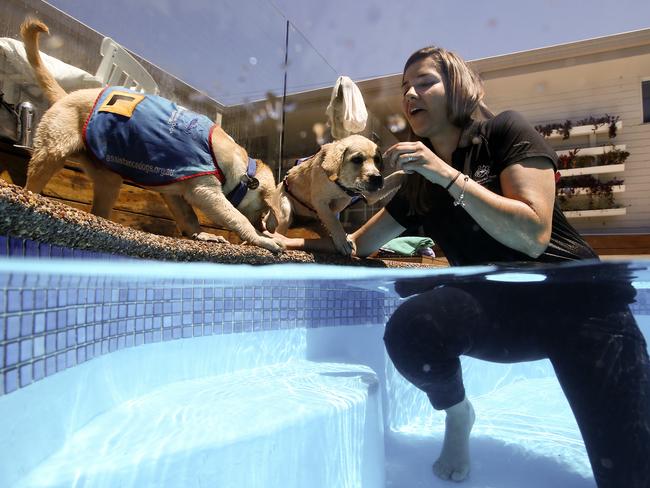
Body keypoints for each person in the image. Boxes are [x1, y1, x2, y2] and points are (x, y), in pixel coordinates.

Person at [268, 46, 650, 487]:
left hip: (585, 311)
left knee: (631, 473)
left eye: (425, 81)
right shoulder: (417, 184)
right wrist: (291, 240)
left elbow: (532, 235)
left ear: (459, 86)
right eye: (404, 86)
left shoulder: (505, 132)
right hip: (502, 316)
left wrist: (446, 175)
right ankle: (458, 414)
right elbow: (356, 244)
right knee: (413, 328)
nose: (411, 92)